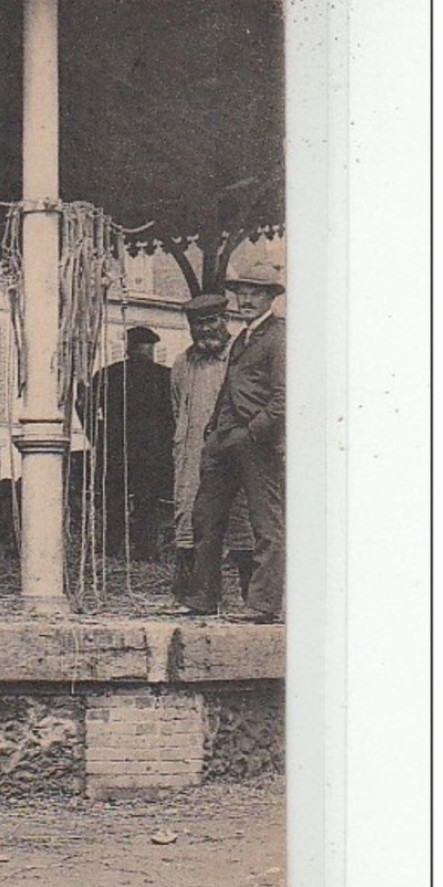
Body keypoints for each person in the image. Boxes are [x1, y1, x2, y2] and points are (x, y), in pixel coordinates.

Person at [179, 261, 286, 623]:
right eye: (242, 292)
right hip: (223, 441)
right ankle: (203, 598)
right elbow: (229, 390)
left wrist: (251, 433)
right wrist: (213, 433)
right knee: (206, 519)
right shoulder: (243, 337)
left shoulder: (280, 336)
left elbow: (283, 399)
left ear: (271, 297)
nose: (246, 299)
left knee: (265, 525)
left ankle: (262, 604)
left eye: (255, 293)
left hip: (256, 443)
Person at [169, 293, 256, 603]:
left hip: (234, 449)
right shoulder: (182, 362)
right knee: (189, 516)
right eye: (197, 325)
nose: (205, 330)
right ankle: (193, 597)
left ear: (224, 321)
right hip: (193, 451)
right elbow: (177, 405)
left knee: (241, 518)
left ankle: (252, 597)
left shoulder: (240, 355)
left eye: (210, 322)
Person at [83, 325, 175, 560]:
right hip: (152, 452)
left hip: (116, 448)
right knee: (148, 503)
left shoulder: (107, 374)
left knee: (114, 501)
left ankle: (112, 551)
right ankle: (145, 551)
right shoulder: (165, 376)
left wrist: (97, 437)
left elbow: (85, 407)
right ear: (151, 348)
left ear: (128, 347)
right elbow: (176, 413)